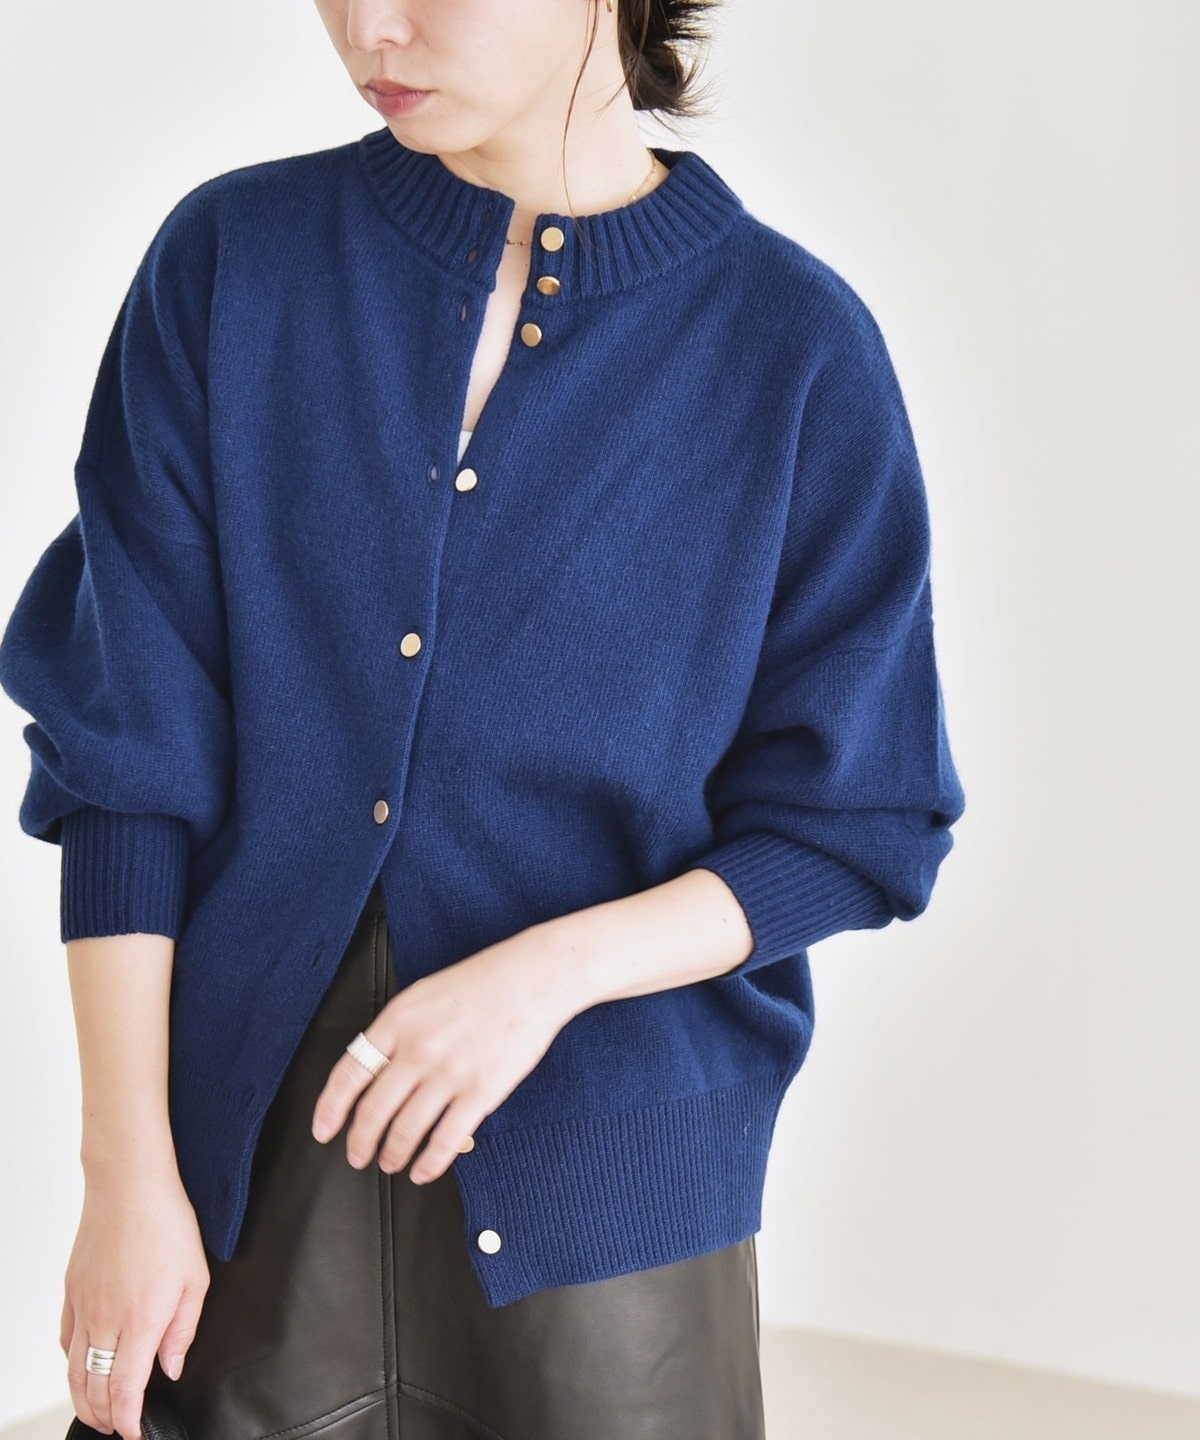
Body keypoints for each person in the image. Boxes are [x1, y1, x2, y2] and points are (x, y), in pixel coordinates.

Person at [0, 2, 967, 1438]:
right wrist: (124, 1174)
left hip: (609, 1222)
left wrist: (544, 976)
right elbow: (126, 759)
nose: (370, 27)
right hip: (241, 1187)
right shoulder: (234, 266)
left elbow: (859, 824)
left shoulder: (791, 348)